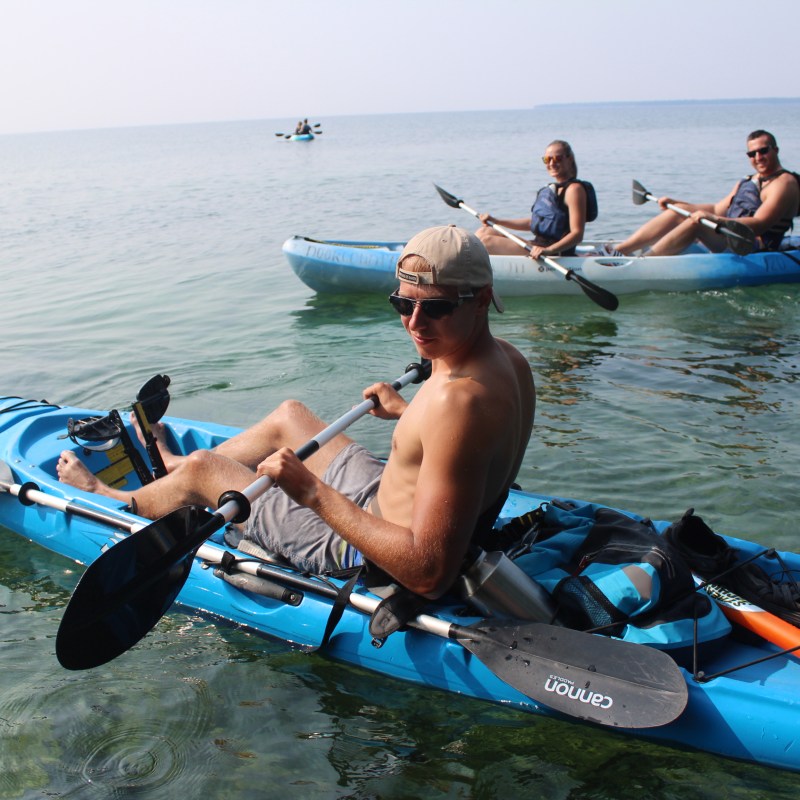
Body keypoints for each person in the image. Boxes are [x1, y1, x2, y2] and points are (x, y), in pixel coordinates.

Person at [57, 226, 535, 599]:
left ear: (483, 299)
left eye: (436, 308)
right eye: (402, 303)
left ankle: (116, 497)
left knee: (207, 468)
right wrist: (408, 414)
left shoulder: (457, 401)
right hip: (389, 504)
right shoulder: (509, 362)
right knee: (291, 415)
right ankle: (176, 470)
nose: (413, 322)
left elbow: (428, 574)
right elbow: (464, 450)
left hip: (365, 551)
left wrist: (311, 492)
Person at [610, 130, 799, 257]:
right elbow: (718, 208)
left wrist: (712, 219)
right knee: (679, 211)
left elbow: (758, 224)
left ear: (775, 150)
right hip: (731, 236)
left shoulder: (783, 184)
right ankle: (619, 252)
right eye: (752, 154)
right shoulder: (750, 179)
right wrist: (678, 203)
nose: (758, 157)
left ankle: (644, 263)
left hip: (753, 246)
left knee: (697, 223)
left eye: (763, 151)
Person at [475, 140, 596, 259]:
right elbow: (533, 223)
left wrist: (548, 250)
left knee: (486, 242)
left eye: (557, 158)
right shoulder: (553, 190)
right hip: (536, 245)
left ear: (570, 159)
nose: (551, 163)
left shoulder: (574, 190)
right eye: (547, 159)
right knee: (484, 232)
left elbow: (577, 234)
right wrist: (497, 221)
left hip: (554, 253)